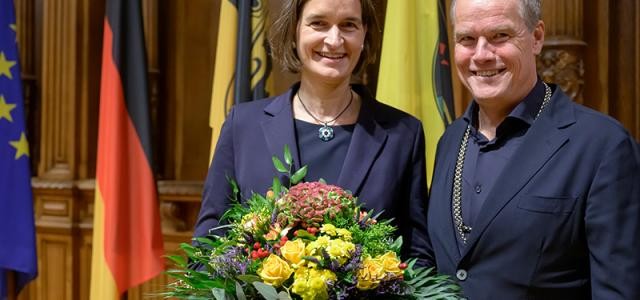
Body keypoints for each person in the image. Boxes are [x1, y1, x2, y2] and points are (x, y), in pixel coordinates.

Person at [426, 0, 640, 298]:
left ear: (536, 37)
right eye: (467, 39)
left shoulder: (603, 146)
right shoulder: (449, 141)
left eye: (500, 36)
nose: (481, 55)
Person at [194, 0, 431, 262]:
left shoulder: (403, 134)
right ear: (294, 31)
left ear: (364, 33)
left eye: (348, 25)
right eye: (318, 23)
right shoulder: (243, 126)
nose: (334, 39)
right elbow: (209, 243)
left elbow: (416, 255)